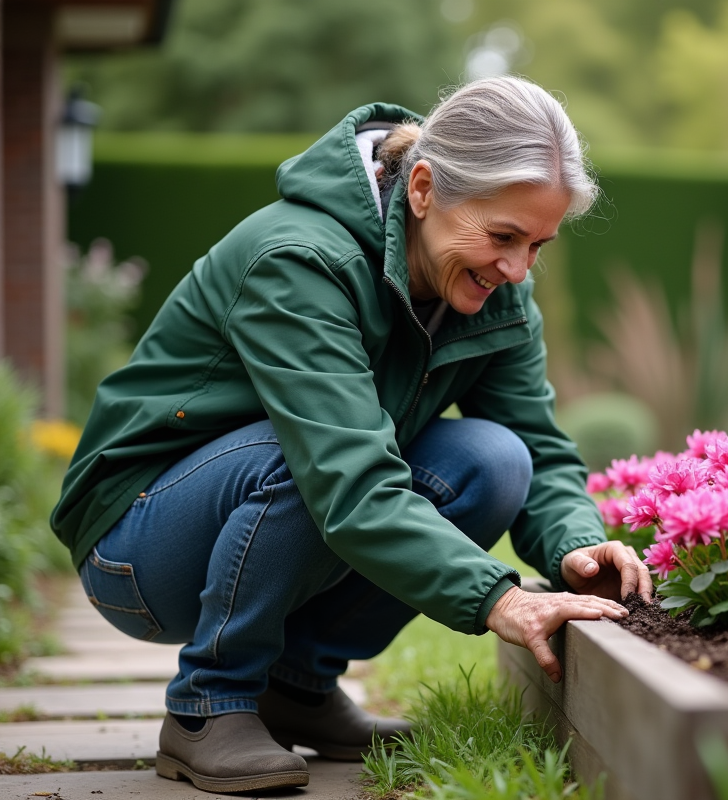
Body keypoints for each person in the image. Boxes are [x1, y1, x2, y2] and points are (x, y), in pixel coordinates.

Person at [51, 76, 651, 794]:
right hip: (138, 544)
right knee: (303, 457)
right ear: (424, 188)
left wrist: (575, 543)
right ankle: (209, 705)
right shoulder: (300, 260)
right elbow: (347, 477)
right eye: (503, 237)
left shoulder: (498, 299)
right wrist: (498, 597)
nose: (518, 269)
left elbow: (541, 447)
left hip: (282, 495)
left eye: (538, 245)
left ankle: (296, 689)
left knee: (495, 460)